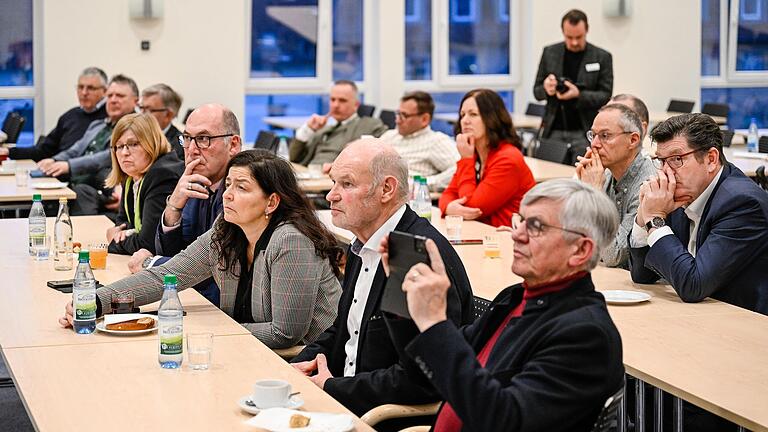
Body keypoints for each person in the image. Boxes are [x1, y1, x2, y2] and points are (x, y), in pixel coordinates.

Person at [383, 179, 623, 432]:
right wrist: (405, 299)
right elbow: (427, 376)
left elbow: (506, 421)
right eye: (520, 221)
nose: (516, 235)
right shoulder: (516, 298)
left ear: (580, 250)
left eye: (536, 227)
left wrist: (435, 322)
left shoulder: (584, 335)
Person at [59, 149, 343, 349]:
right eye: (228, 184)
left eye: (242, 188)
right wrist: (95, 302)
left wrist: (203, 332)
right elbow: (165, 277)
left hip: (305, 364)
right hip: (247, 349)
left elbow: (285, 334)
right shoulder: (228, 229)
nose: (228, 194)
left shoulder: (290, 240)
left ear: (271, 202)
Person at [290, 139, 474, 416]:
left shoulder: (412, 258)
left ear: (386, 189)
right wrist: (293, 368)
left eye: (347, 184)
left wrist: (333, 388)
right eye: (334, 183)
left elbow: (420, 380)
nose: (331, 196)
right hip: (341, 399)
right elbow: (344, 331)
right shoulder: (363, 243)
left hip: (376, 415)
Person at [629, 113, 768, 316]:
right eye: (661, 161)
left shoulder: (743, 204)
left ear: (711, 159)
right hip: (700, 316)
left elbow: (693, 285)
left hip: (744, 324)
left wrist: (655, 220)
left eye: (676, 159)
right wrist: (644, 217)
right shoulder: (682, 193)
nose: (665, 173)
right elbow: (642, 275)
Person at [127, 103, 243, 306]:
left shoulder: (242, 191)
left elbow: (212, 267)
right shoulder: (196, 182)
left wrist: (150, 263)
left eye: (203, 139)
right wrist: (174, 206)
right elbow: (176, 251)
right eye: (187, 138)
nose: (191, 150)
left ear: (233, 145)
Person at [38, 74, 140, 215]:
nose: (113, 100)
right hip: (74, 183)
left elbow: (106, 157)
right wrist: (54, 160)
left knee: (79, 192)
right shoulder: (97, 125)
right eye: (110, 96)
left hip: (103, 187)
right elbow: (75, 149)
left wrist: (68, 165)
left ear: (135, 101)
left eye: (120, 96)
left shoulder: (135, 128)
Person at [439, 89, 535, 228]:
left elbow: (473, 208)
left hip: (508, 239)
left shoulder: (507, 159)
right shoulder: (476, 154)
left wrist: (466, 160)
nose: (465, 120)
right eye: (462, 115)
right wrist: (449, 208)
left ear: (492, 118)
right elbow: (448, 194)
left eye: (473, 114)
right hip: (482, 233)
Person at [575, 103, 655, 269]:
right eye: (593, 135)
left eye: (605, 136)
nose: (595, 144)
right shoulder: (604, 174)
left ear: (633, 140)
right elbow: (574, 238)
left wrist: (594, 194)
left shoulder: (648, 184)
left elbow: (614, 255)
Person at [533, 9, 613, 164]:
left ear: (587, 30)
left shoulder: (601, 57)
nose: (574, 42)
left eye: (579, 37)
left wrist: (578, 95)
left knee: (582, 178)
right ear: (563, 32)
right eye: (569, 37)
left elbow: (605, 95)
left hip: (584, 131)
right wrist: (547, 89)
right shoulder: (550, 53)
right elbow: (537, 92)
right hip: (553, 129)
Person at [104, 113, 183, 255]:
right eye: (119, 146)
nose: (124, 153)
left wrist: (114, 240)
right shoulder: (131, 176)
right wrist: (128, 233)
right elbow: (122, 223)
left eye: (133, 144)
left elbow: (148, 245)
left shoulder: (162, 174)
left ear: (151, 143)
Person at [0, 67, 108, 161]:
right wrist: (9, 151)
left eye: (91, 88)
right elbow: (43, 151)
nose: (84, 93)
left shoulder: (108, 119)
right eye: (80, 87)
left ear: (105, 91)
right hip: (57, 174)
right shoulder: (70, 116)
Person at [290, 80, 388, 167]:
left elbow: (388, 143)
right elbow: (294, 158)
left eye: (342, 100)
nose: (335, 105)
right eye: (333, 100)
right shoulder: (324, 128)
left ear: (356, 105)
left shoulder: (369, 124)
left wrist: (362, 144)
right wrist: (308, 129)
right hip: (310, 175)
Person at [379, 91, 459, 191]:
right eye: (398, 114)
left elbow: (459, 169)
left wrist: (424, 184)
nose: (397, 120)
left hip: (408, 198)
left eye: (404, 115)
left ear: (424, 119)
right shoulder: (390, 136)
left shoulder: (436, 141)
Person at [139, 83, 184, 159]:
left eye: (148, 110)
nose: (141, 115)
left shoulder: (180, 147)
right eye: (141, 108)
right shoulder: (133, 137)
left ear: (168, 115)